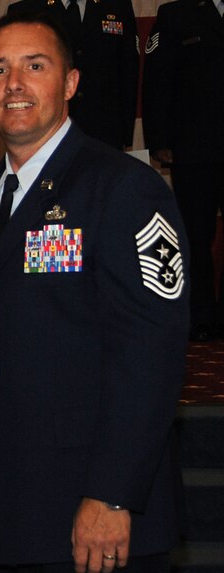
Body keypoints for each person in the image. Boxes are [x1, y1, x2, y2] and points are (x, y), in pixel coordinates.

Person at [0, 12, 188, 573]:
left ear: (70, 83)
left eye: (34, 66)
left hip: (99, 516)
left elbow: (152, 353)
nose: (14, 82)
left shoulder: (124, 187)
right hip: (15, 511)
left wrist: (112, 494)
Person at [142, 0, 224, 341]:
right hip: (194, 148)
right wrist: (159, 138)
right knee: (195, 235)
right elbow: (158, 77)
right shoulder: (176, 14)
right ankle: (201, 316)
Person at [7, 0, 139, 150]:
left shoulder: (116, 7)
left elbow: (128, 73)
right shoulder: (26, 10)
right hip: (45, 130)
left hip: (104, 130)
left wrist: (125, 134)